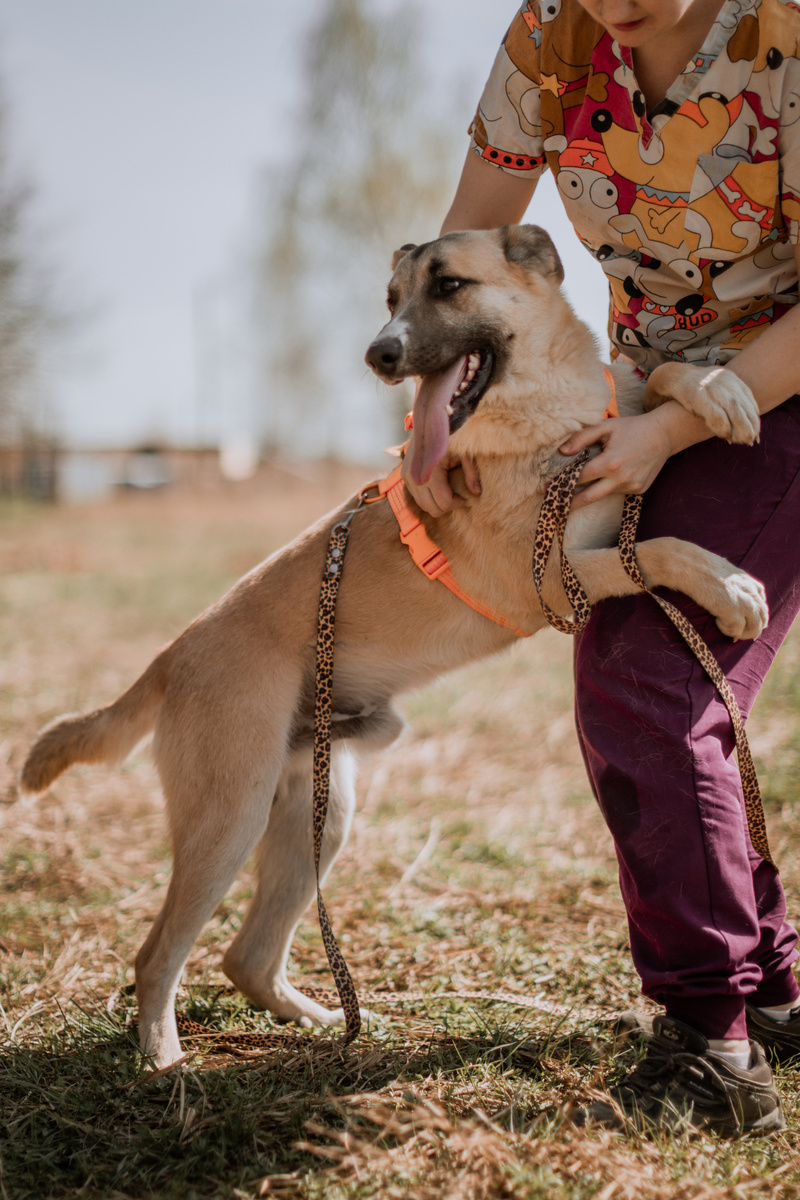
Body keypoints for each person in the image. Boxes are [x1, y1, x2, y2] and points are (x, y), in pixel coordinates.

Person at [401, 0, 800, 1134]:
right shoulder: (550, 40)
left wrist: (667, 433)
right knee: (653, 676)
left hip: (776, 387)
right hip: (639, 386)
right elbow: (459, 257)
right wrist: (438, 421)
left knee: (650, 677)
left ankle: (710, 1044)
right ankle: (769, 992)